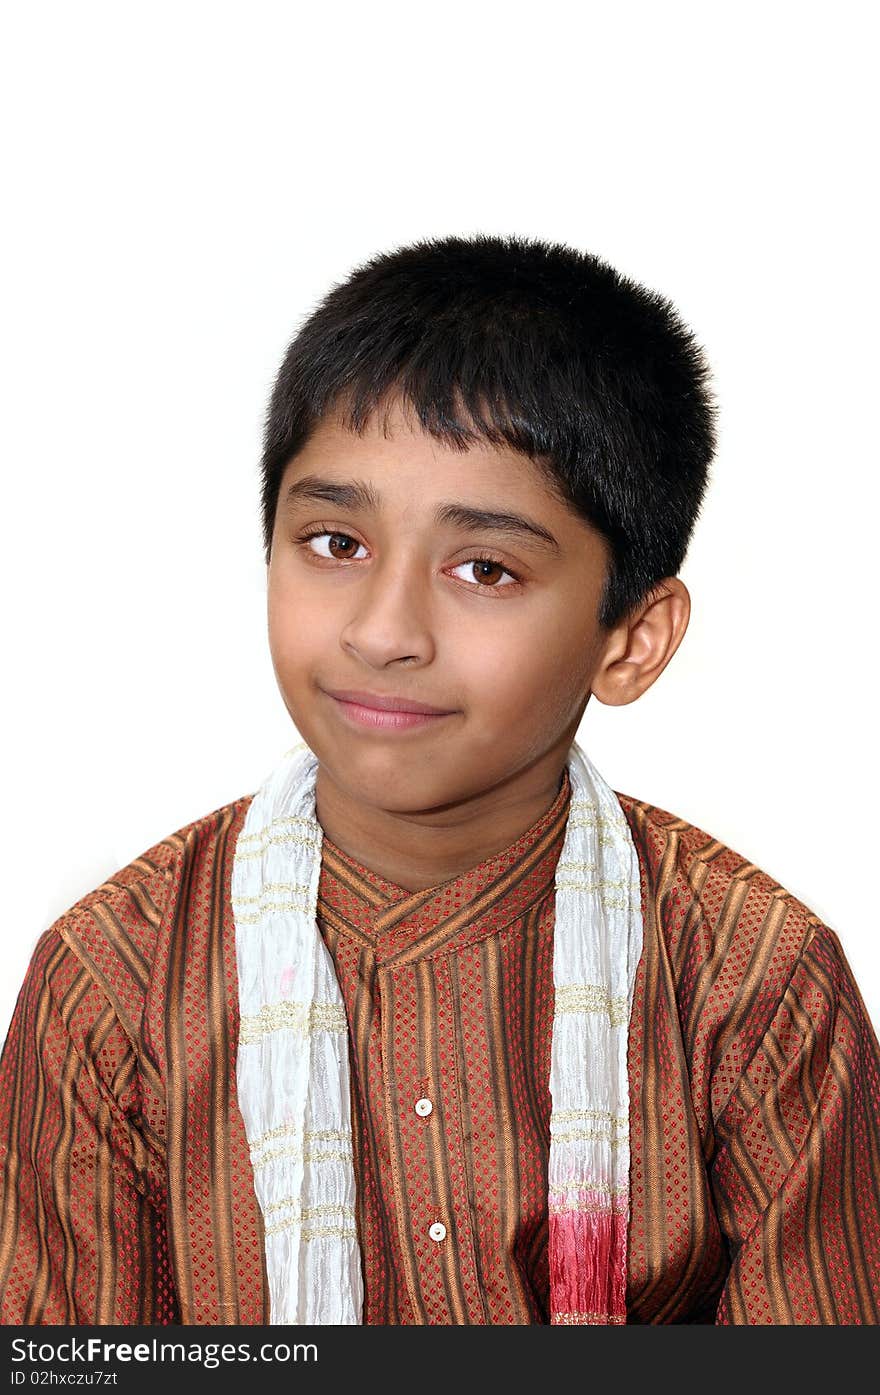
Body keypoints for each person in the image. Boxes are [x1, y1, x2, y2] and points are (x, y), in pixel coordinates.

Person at [1, 234, 878, 1326]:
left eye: (484, 569)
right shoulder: (114, 989)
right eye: (333, 543)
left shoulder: (753, 991)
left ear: (632, 641)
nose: (382, 631)